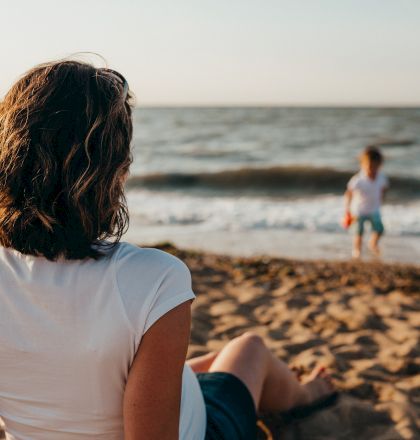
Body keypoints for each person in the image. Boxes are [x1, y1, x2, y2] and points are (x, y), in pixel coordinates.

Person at [0, 60, 335, 440]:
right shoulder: (155, 278)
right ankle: (309, 395)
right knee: (249, 349)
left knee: (195, 366)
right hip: (205, 430)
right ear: (114, 170)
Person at [344, 146, 389, 259]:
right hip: (359, 210)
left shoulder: (381, 178)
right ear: (362, 165)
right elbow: (349, 193)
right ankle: (357, 250)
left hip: (374, 209)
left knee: (379, 230)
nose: (372, 170)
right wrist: (347, 210)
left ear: (379, 165)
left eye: (375, 167)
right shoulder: (358, 179)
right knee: (358, 233)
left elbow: (383, 189)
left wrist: (381, 200)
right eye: (369, 166)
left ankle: (372, 243)